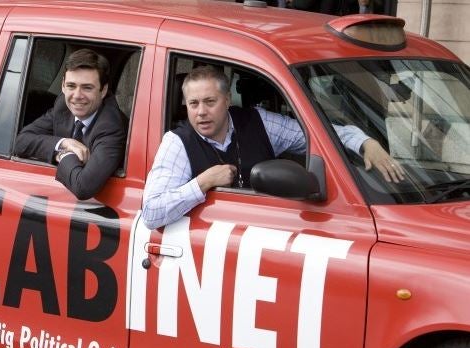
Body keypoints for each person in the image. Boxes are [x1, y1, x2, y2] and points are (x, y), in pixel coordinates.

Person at [141, 66, 404, 230]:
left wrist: (364, 142)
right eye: (193, 104)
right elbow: (151, 214)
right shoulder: (177, 142)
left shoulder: (259, 121)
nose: (201, 112)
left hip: (266, 233)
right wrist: (203, 182)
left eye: (210, 101)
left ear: (227, 100)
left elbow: (318, 135)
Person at [14, 48, 126, 200]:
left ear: (103, 90)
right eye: (71, 86)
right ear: (63, 86)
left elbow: (83, 187)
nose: (77, 96)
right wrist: (64, 143)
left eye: (87, 87)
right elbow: (20, 141)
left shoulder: (111, 127)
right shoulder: (63, 105)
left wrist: (64, 154)